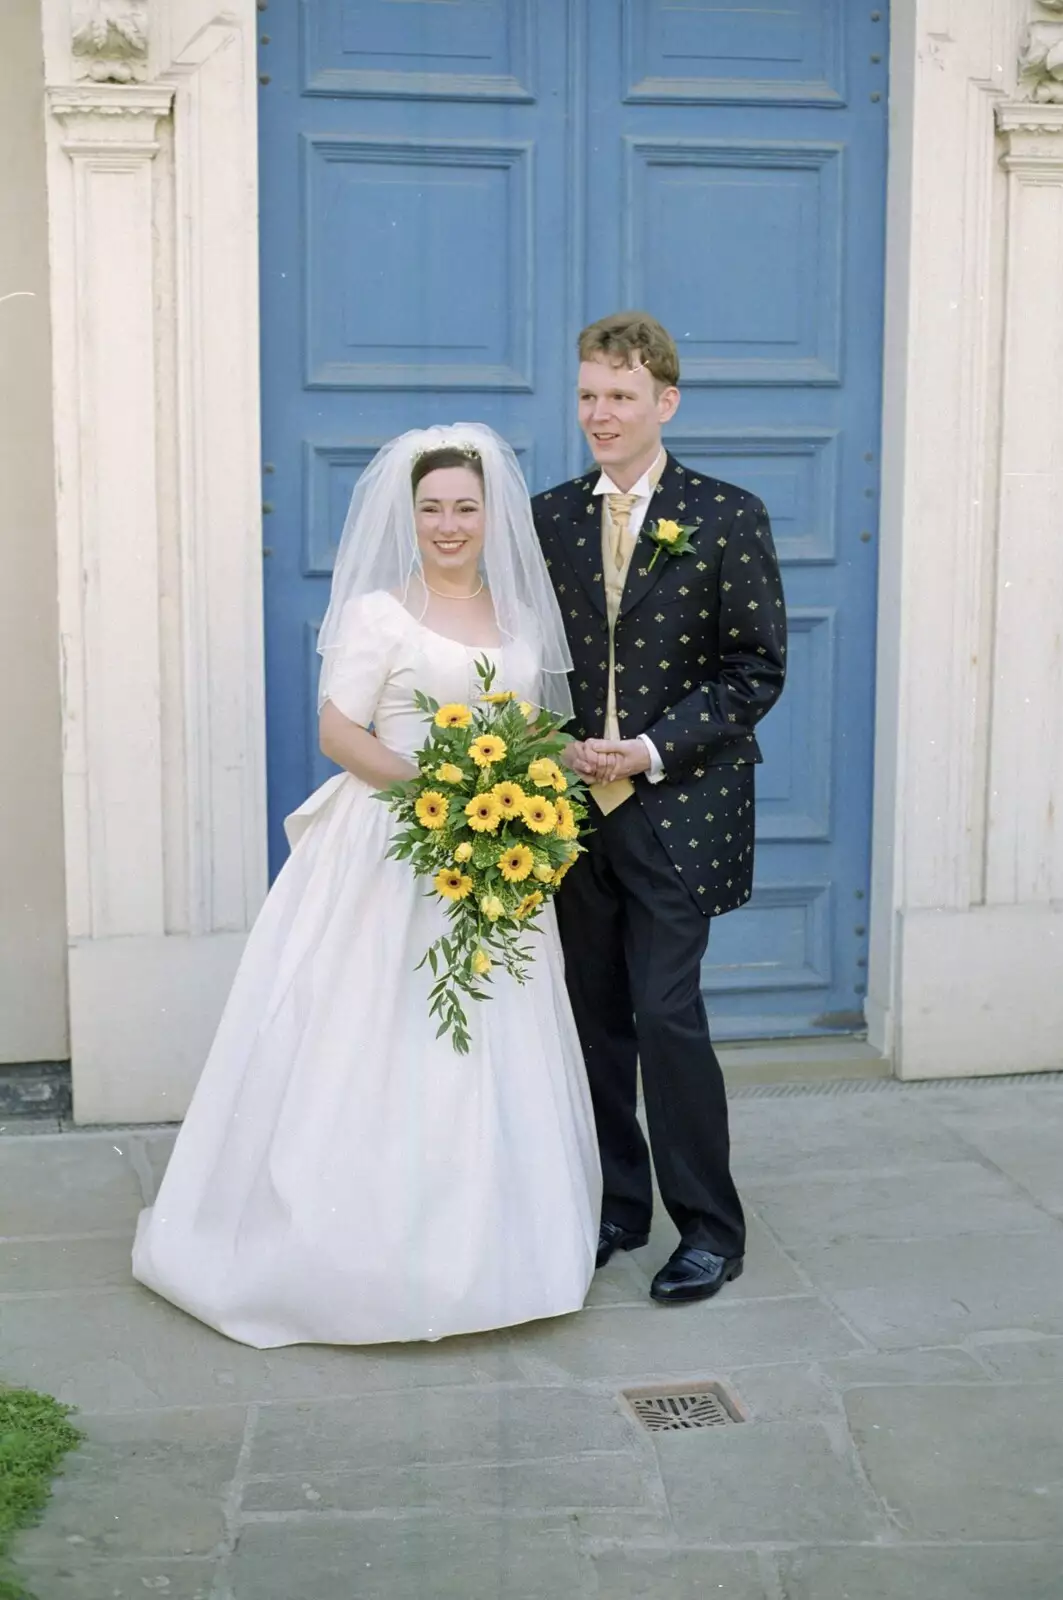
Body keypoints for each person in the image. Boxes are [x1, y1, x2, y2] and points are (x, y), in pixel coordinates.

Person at [133, 425, 602, 1349]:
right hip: (393, 846)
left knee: (488, 1040)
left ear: (490, 513)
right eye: (431, 509)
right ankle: (351, 1258)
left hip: (488, 855)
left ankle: (499, 1253)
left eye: (465, 507)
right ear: (409, 516)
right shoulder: (378, 616)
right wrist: (438, 793)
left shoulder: (521, 618)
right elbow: (338, 732)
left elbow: (536, 729)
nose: (448, 524)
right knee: (373, 1036)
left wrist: (516, 800)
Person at [532, 312, 786, 1305]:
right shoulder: (547, 516)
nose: (601, 413)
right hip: (566, 810)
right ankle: (615, 1204)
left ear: (663, 402)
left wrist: (646, 749)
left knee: (665, 1012)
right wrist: (550, 748)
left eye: (620, 396)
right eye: (589, 394)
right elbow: (531, 660)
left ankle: (710, 1228)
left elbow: (755, 668)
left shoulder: (725, 514)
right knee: (592, 1016)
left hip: (675, 807)